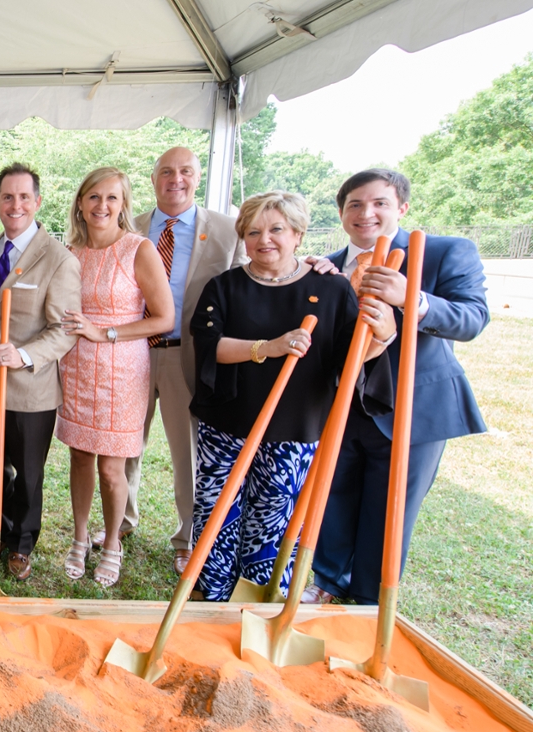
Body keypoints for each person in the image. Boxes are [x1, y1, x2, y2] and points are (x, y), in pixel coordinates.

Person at [189, 191, 395, 601]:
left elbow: (350, 358)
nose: (264, 239)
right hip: (227, 424)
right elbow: (209, 347)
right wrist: (269, 346)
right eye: (253, 231)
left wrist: (385, 336)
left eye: (276, 229)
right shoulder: (224, 287)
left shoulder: (331, 288)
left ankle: (259, 600)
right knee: (215, 513)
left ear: (298, 234)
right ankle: (208, 595)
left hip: (294, 426)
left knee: (274, 520)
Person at [306, 169, 489, 605]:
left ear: (401, 208)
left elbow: (472, 319)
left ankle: (369, 601)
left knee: (389, 512)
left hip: (411, 408)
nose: (366, 213)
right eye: (355, 204)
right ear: (341, 212)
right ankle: (327, 582)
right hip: (342, 403)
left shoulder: (444, 253)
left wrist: (414, 298)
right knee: (333, 497)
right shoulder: (325, 265)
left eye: (379, 203)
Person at [115, 147, 247, 576]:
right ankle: (120, 522)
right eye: (166, 172)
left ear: (198, 177)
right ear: (153, 179)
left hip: (185, 356)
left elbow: (258, 278)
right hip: (130, 353)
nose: (176, 179)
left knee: (186, 452)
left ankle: (187, 537)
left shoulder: (229, 232)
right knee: (124, 444)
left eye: (186, 171)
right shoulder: (125, 228)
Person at [57, 168, 174, 587]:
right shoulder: (69, 251)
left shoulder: (139, 249)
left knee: (112, 467)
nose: (101, 206)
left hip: (123, 367)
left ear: (124, 204)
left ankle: (111, 543)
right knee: (80, 456)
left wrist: (105, 331)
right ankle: (79, 536)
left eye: (111, 198)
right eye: (93, 197)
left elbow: (164, 318)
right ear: (80, 203)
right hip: (77, 365)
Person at [0, 163, 82, 581]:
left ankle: (22, 542)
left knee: (28, 473)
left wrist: (23, 356)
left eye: (24, 197)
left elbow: (65, 330)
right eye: (7, 197)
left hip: (31, 388)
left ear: (37, 202)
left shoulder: (58, 259)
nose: (15, 204)